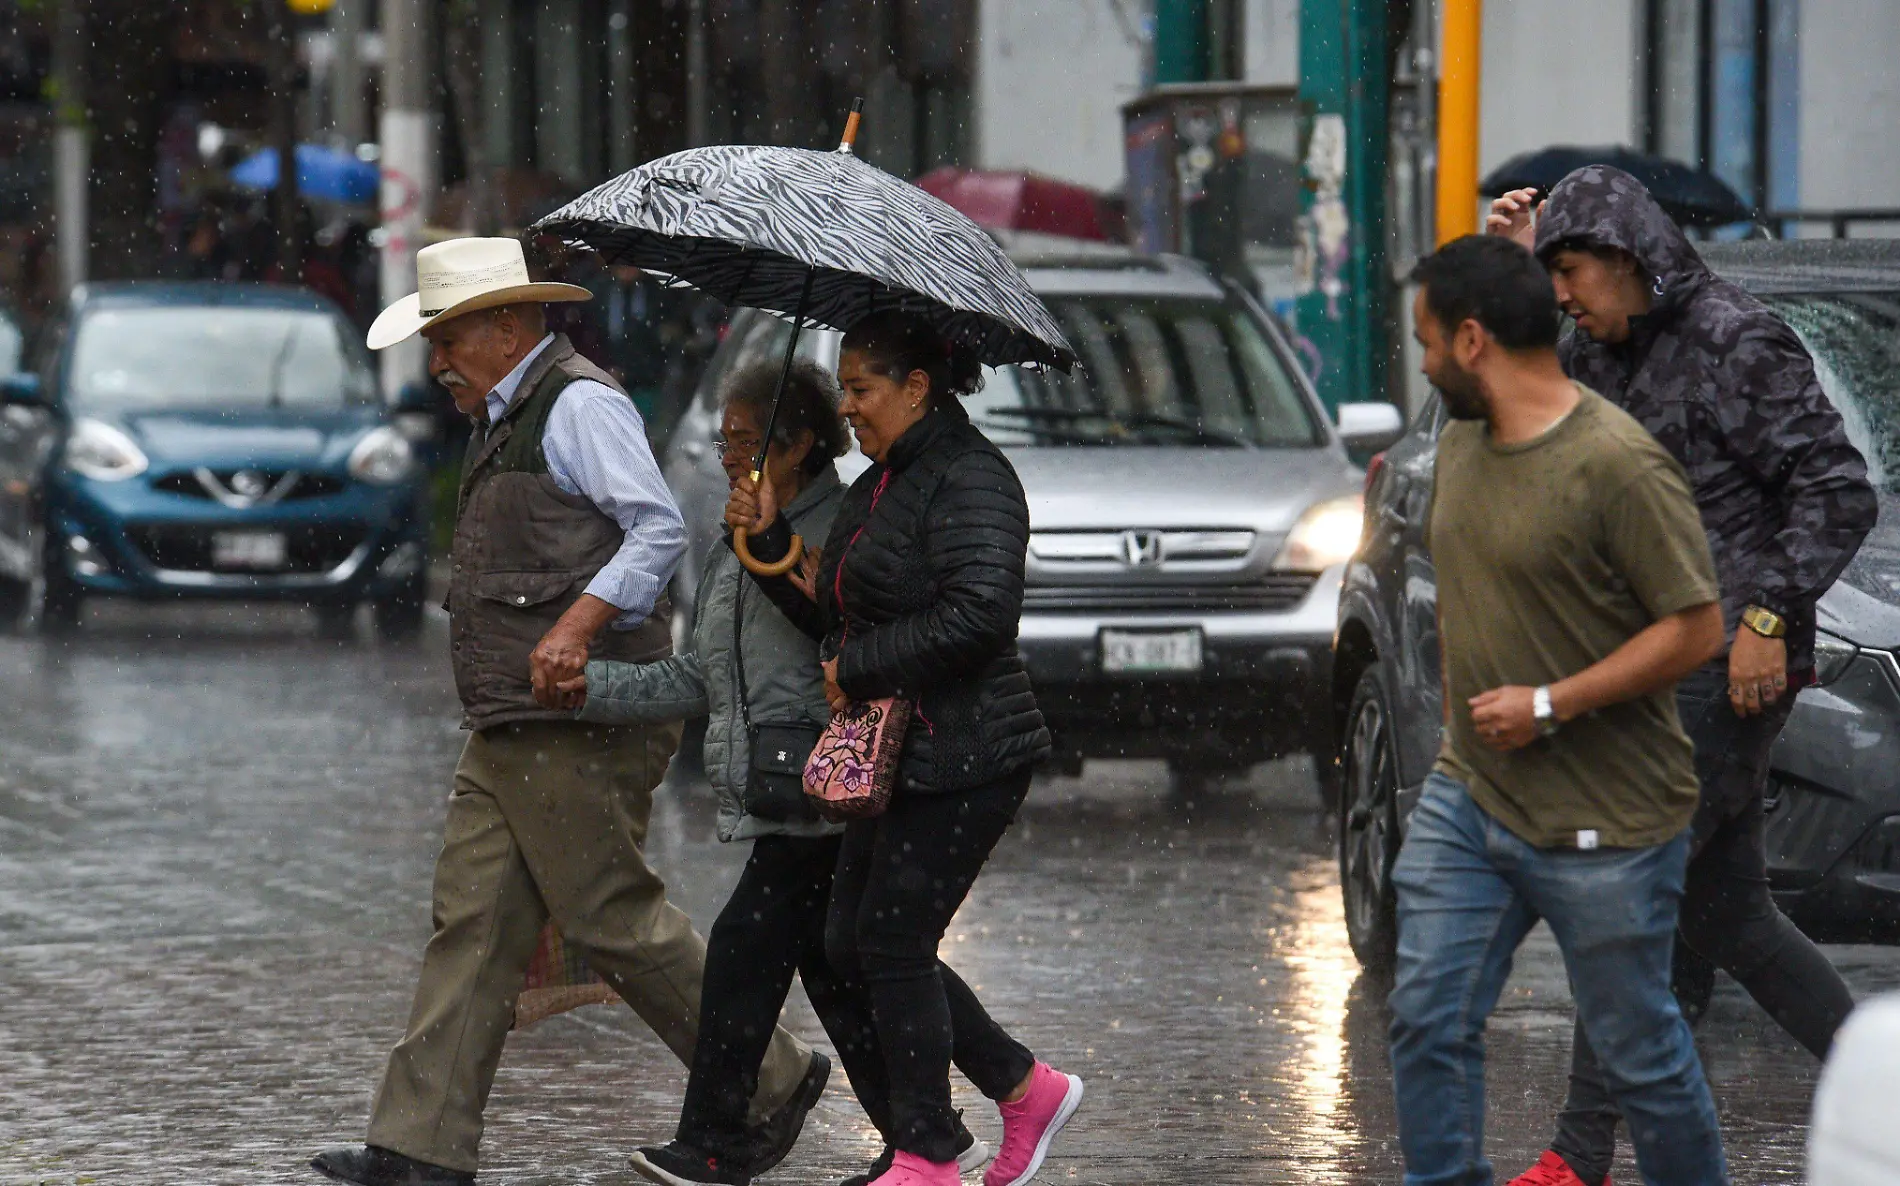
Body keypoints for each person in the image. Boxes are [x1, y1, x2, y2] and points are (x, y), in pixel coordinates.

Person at [310, 237, 825, 1186]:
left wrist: (579, 625)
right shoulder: (507, 410)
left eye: (450, 336)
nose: (438, 362)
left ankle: (768, 1081)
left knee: (610, 915)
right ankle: (417, 1149)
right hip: (516, 716)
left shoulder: (580, 403)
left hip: (578, 717)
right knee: (473, 923)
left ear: (509, 328)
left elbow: (658, 526)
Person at [1487, 167, 1877, 1186]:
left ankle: (1577, 1155)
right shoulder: (1597, 347)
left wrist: (1765, 614)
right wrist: (1514, 270)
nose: (1566, 296)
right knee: (1728, 916)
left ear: (1628, 257)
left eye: (1572, 272)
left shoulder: (1733, 341)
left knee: (1619, 891)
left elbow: (1836, 490)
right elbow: (1517, 400)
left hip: (1718, 665)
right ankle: (1884, 1100)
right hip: (1643, 667)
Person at [558, 360, 992, 1186]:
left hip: (826, 791)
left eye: (746, 441)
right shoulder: (738, 537)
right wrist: (588, 690)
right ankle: (929, 1139)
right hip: (784, 790)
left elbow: (840, 631)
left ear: (797, 445)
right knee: (836, 970)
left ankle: (721, 1140)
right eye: (724, 440)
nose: (727, 456)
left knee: (748, 948)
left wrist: (770, 547)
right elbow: (703, 676)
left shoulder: (845, 526)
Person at [1389, 235, 1731, 1186]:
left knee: (1641, 1060)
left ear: (1470, 341)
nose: (1418, 364)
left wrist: (1550, 703)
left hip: (1610, 818)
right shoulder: (1461, 442)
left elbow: (1698, 628)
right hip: (1474, 795)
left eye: (1424, 343)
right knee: (1426, 1016)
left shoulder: (1619, 466)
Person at [727, 311, 1084, 1186]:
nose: (849, 409)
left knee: (889, 942)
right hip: (902, 752)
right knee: (852, 941)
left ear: (917, 388)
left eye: (863, 390)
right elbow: (848, 617)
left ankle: (927, 1154)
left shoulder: (973, 478)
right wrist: (772, 547)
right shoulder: (882, 481)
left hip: (970, 753)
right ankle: (1022, 1087)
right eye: (844, 391)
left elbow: (980, 614)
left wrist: (862, 660)